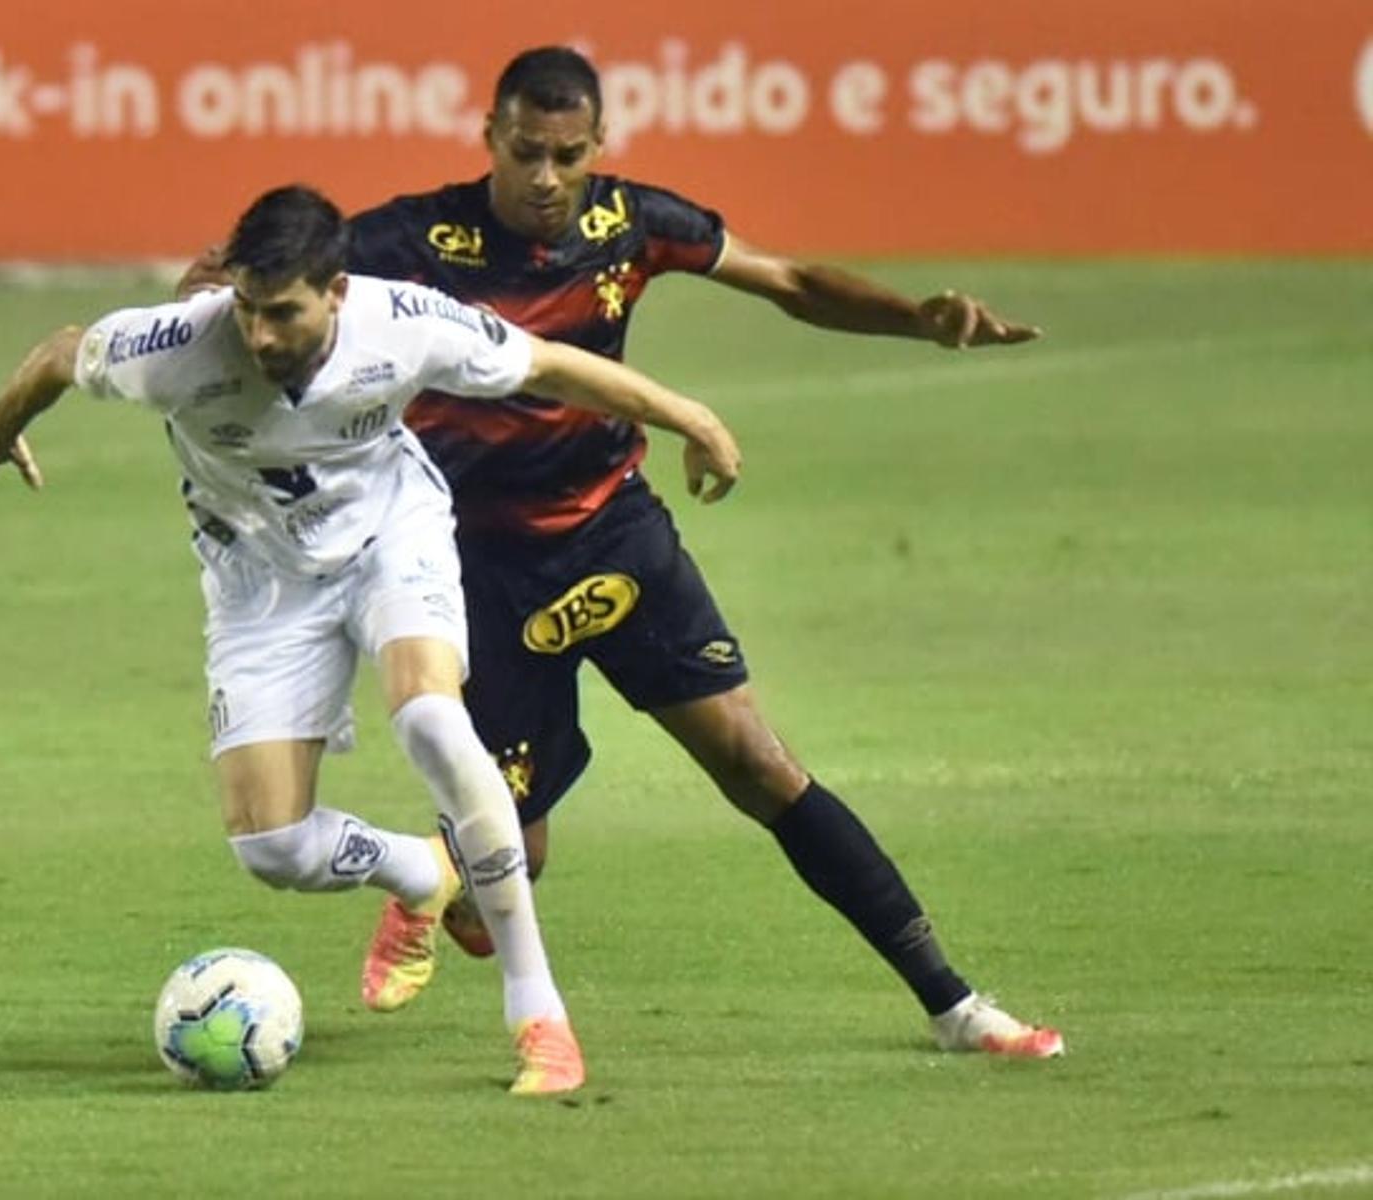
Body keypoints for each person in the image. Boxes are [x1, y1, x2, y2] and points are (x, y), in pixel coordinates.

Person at [330, 46, 1063, 1057]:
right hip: (475, 565)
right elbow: (263, 281)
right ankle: (433, 878)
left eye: (568, 155)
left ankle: (954, 1005)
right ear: (489, 137)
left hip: (614, 535)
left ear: (599, 145)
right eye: (526, 152)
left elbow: (790, 280)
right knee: (514, 861)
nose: (546, 179)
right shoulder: (413, 237)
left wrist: (917, 322)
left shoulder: (629, 224)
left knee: (758, 764)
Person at [0, 184, 745, 1094]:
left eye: (281, 313)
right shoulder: (176, 347)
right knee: (271, 848)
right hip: (260, 587)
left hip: (390, 542)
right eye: (247, 310)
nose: (260, 336)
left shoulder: (402, 322)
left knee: (433, 723)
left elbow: (548, 366)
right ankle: (421, 869)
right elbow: (61, 354)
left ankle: (540, 1015)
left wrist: (693, 416)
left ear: (336, 292)